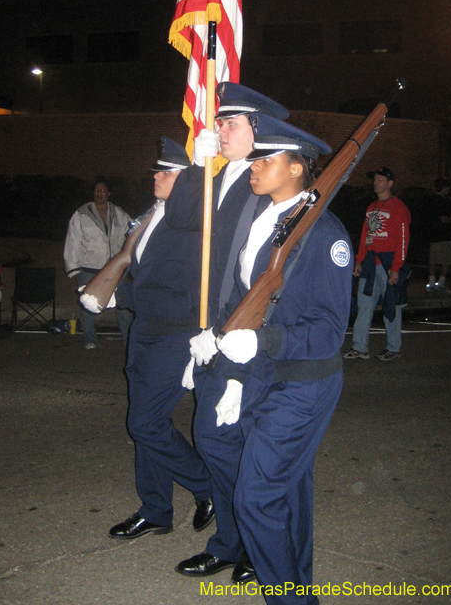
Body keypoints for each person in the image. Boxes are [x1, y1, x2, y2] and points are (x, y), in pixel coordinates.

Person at [184, 115, 353, 605]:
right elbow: (250, 299)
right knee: (288, 492)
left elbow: (328, 331)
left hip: (303, 382)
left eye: (265, 159)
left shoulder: (324, 234)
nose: (253, 166)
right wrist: (217, 338)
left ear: (297, 168)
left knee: (256, 498)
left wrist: (265, 342)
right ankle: (298, 586)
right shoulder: (269, 221)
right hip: (263, 375)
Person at [166, 83, 289, 584]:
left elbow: (257, 277)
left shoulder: (263, 185)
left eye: (230, 123)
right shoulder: (224, 175)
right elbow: (180, 217)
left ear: (259, 130)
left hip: (243, 335)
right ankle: (234, 542)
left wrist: (230, 347)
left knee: (234, 444)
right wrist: (198, 166)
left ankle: (258, 547)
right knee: (216, 441)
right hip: (211, 331)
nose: (219, 130)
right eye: (219, 122)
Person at [108, 138, 214, 541]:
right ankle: (155, 508)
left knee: (145, 423)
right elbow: (148, 273)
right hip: (145, 330)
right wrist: (120, 295)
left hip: (175, 333)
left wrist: (200, 170)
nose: (156, 176)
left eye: (167, 172)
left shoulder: (195, 220)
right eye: (157, 170)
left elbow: (186, 281)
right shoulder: (154, 214)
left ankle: (207, 486)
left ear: (187, 180)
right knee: (145, 420)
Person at [343, 167, 411, 362]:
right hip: (370, 264)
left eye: (381, 179)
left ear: (390, 183)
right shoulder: (371, 207)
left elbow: (403, 240)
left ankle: (393, 347)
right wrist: (360, 260)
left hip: (388, 264)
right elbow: (365, 235)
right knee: (364, 305)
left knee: (391, 307)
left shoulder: (399, 208)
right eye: (375, 179)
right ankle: (359, 347)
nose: (376, 182)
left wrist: (396, 268)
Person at [64, 179, 130, 349]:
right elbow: (72, 240)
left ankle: (129, 340)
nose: (99, 193)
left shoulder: (119, 213)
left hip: (114, 268)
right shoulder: (82, 214)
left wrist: (128, 260)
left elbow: (130, 235)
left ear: (109, 193)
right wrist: (73, 268)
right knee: (88, 305)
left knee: (122, 304)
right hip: (89, 267)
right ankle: (90, 340)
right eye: (96, 190)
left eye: (103, 190)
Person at [426, 178, 451, 293]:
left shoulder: (430, 199)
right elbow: (443, 219)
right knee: (447, 259)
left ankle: (431, 283)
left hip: (433, 234)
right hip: (444, 234)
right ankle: (441, 283)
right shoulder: (442, 201)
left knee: (433, 259)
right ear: (444, 188)